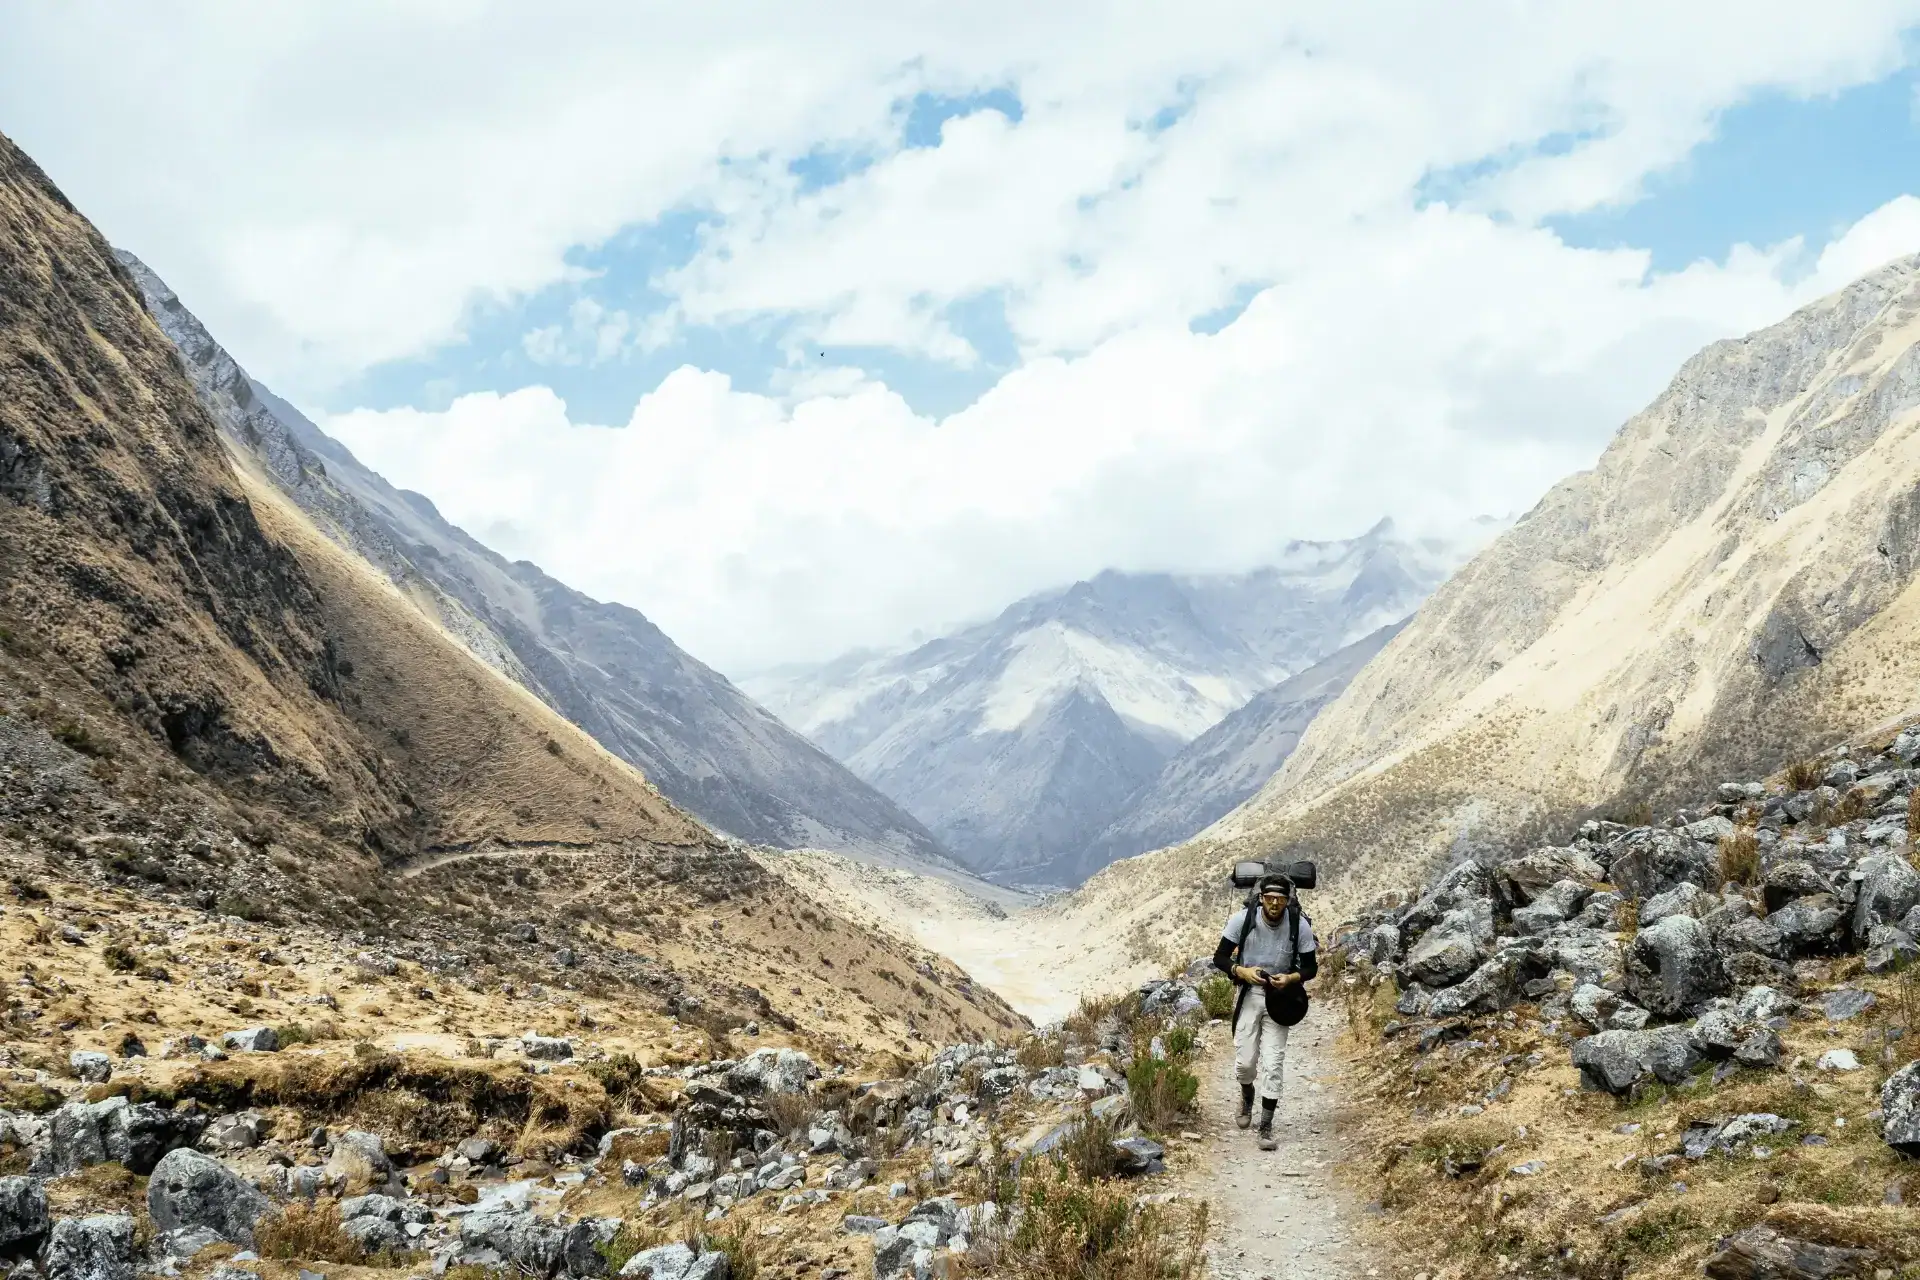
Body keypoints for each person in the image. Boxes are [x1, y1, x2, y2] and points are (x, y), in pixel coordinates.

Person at [1212, 873, 1317, 1150]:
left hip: (1280, 999)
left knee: (1274, 1062)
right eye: (1270, 898)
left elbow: (1311, 967)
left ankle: (1266, 1126)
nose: (1274, 904)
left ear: (1287, 901)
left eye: (1280, 899)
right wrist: (1241, 971)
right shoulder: (1243, 920)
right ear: (1261, 899)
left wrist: (1291, 978)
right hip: (1249, 994)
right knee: (1245, 1063)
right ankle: (1247, 1093)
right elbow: (1219, 957)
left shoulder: (1299, 925)